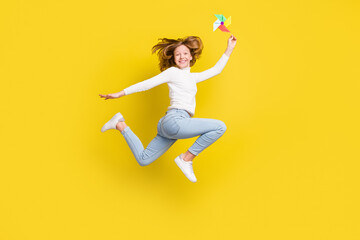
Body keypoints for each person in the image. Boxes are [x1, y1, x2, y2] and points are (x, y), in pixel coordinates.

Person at [99, 34, 237, 182]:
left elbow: (216, 70)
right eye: (178, 54)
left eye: (185, 53)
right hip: (175, 120)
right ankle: (186, 159)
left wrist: (229, 48)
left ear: (191, 56)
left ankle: (120, 124)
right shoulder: (173, 72)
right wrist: (121, 93)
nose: (181, 56)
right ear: (174, 59)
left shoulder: (193, 77)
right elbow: (147, 84)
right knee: (220, 127)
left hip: (170, 127)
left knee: (143, 159)